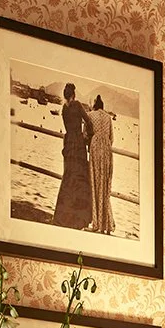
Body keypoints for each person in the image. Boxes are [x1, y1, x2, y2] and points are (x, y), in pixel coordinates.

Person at [52, 82, 94, 228]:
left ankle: (63, 215)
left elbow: (68, 127)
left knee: (68, 178)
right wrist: (87, 138)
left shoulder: (64, 108)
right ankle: (78, 218)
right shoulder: (77, 105)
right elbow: (89, 122)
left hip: (68, 144)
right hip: (78, 144)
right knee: (80, 179)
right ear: (74, 94)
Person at [86, 94, 116, 236]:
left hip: (96, 149)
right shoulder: (109, 118)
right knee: (105, 187)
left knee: (95, 184)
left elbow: (85, 135)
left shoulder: (90, 115)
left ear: (95, 106)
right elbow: (112, 138)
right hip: (107, 152)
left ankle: (96, 223)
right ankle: (106, 224)